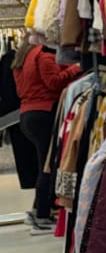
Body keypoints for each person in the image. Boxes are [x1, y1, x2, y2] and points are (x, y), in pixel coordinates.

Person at [13, 31, 81, 232]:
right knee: (47, 166)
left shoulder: (21, 60)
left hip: (27, 114)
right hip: (43, 112)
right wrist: (76, 68)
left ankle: (38, 210)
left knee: (43, 163)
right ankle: (42, 214)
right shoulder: (42, 56)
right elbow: (53, 82)